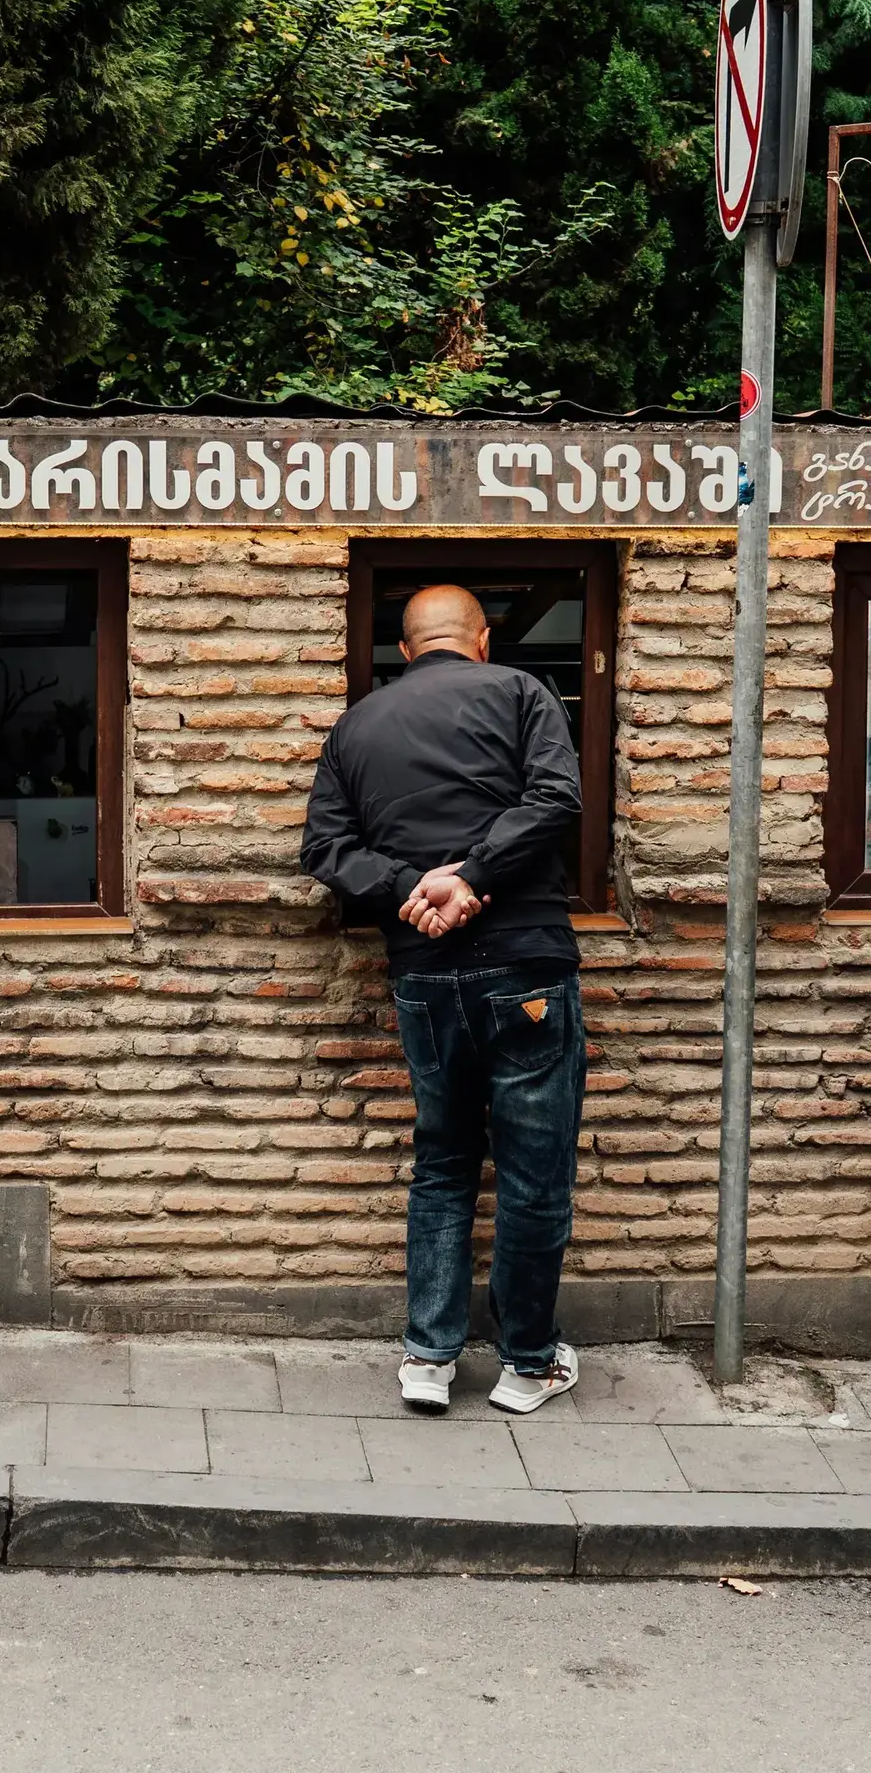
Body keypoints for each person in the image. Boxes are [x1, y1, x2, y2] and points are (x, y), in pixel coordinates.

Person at [300, 582, 587, 1415]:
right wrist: (472, 876)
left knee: (444, 1163)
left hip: (422, 973)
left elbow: (324, 848)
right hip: (525, 964)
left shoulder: (356, 724)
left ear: (404, 649)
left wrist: (409, 888)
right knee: (533, 1178)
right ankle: (527, 1365)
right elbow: (554, 800)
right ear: (483, 639)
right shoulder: (522, 693)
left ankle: (428, 1359)